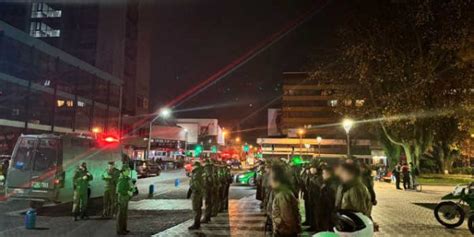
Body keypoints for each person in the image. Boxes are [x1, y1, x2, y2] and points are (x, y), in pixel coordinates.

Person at [270, 164, 301, 236]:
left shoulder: (282, 195)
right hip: (286, 230)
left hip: (285, 231)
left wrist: (281, 228)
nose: (270, 183)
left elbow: (287, 217)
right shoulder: (283, 192)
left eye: (272, 180)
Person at [319, 166, 339, 231]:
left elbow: (332, 199)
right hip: (327, 212)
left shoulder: (332, 184)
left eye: (324, 173)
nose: (322, 175)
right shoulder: (326, 183)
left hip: (330, 212)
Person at [116, 165, 134, 235]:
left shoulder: (127, 178)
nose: (129, 172)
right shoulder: (121, 179)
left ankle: (124, 228)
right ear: (123, 171)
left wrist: (132, 190)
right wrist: (127, 192)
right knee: (121, 214)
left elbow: (131, 186)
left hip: (126, 198)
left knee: (125, 214)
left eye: (129, 170)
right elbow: (119, 190)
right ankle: (120, 230)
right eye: (127, 171)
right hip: (122, 198)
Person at [187, 161, 204, 230]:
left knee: (196, 208)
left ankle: (196, 224)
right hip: (198, 192)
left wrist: (196, 190)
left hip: (196, 193)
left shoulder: (196, 173)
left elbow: (196, 183)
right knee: (198, 208)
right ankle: (197, 223)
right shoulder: (200, 172)